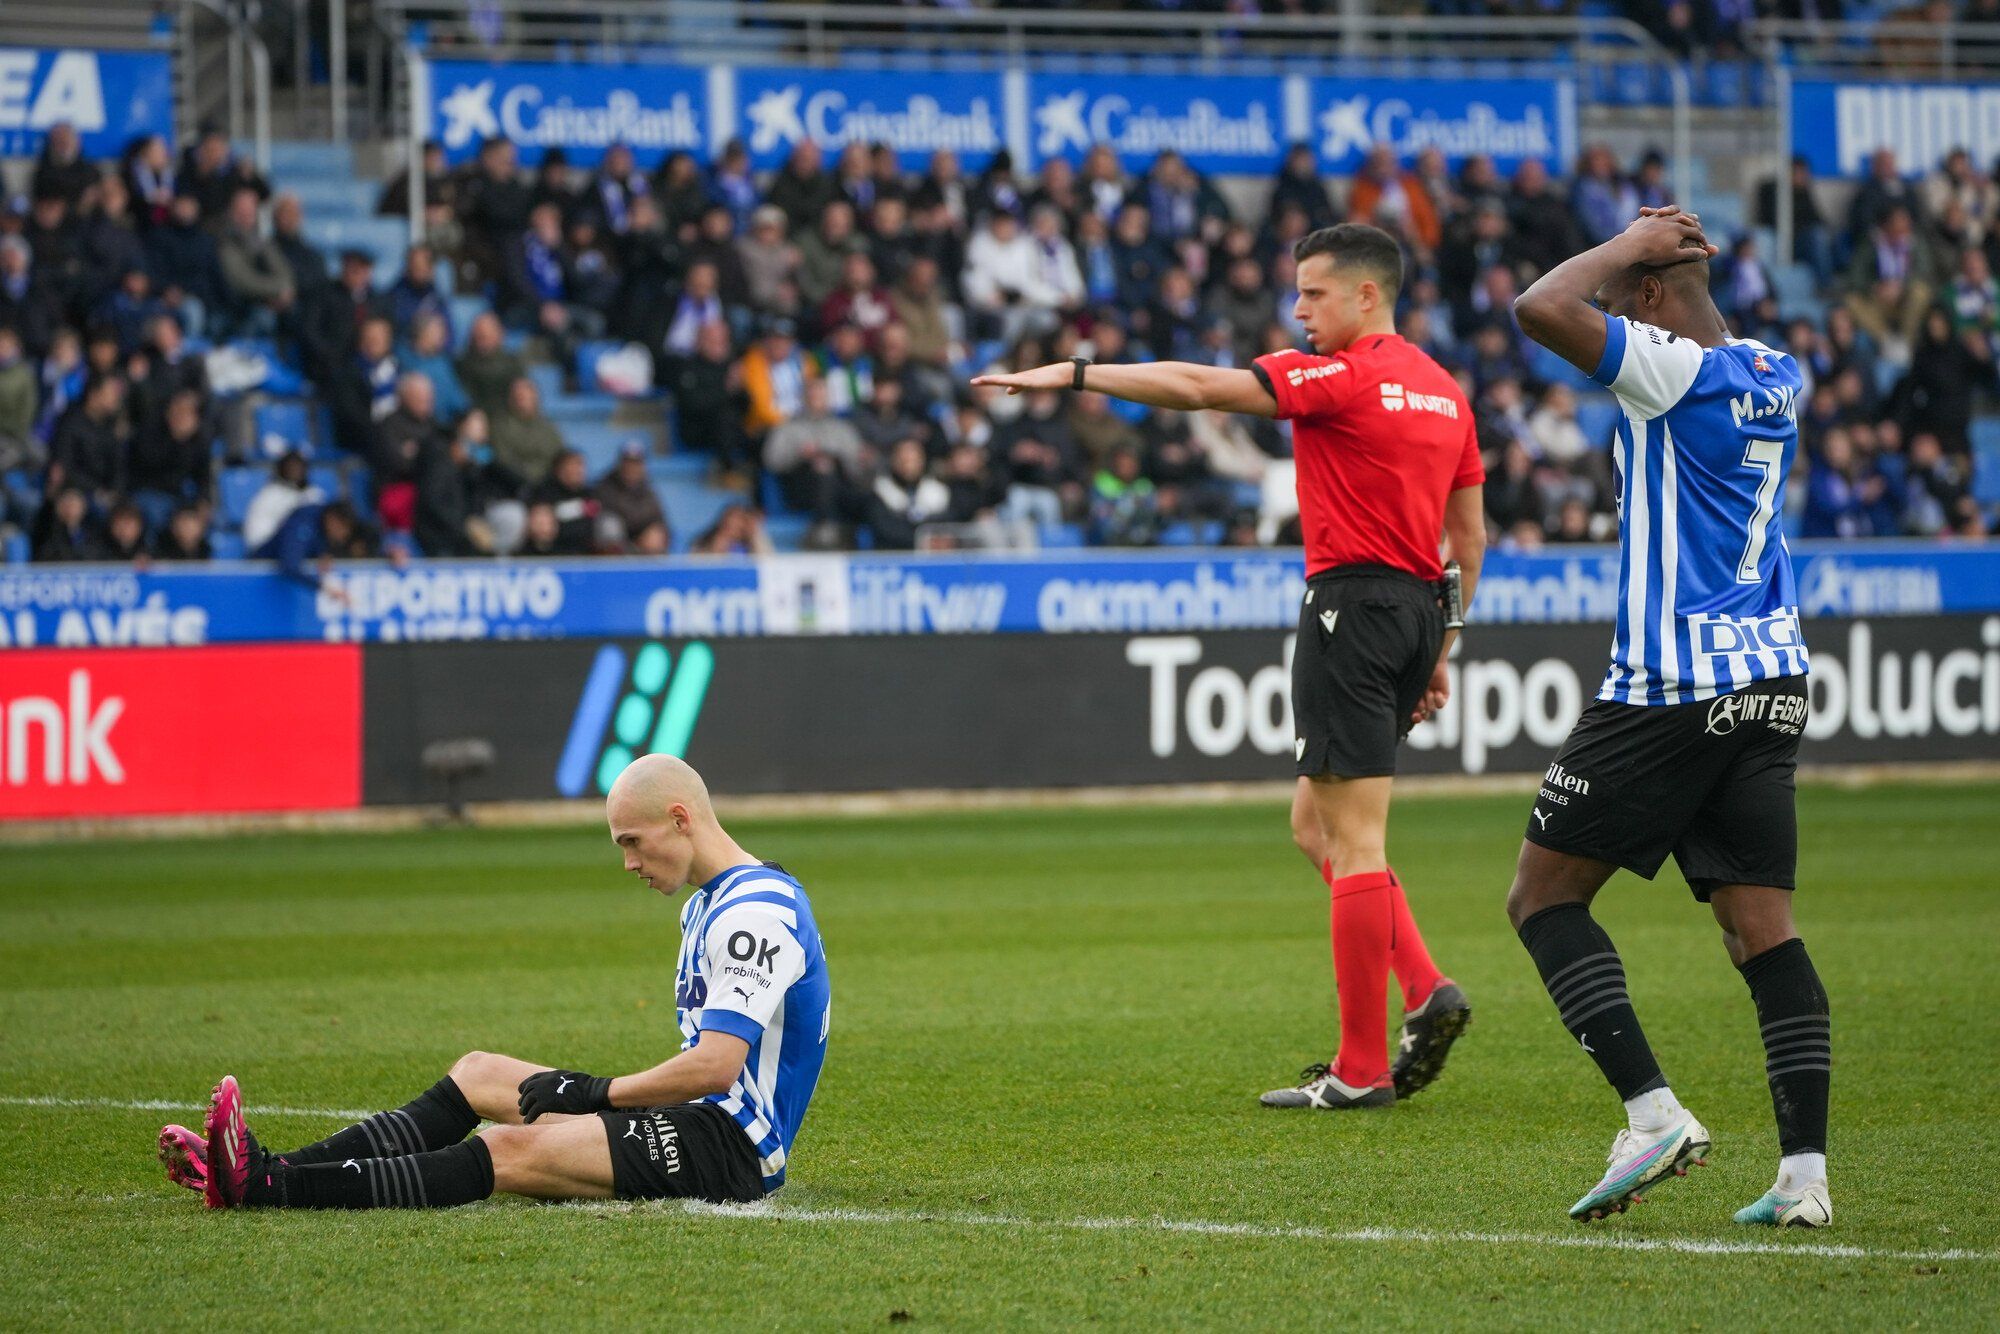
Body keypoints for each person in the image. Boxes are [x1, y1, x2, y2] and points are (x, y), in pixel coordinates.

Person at [973, 223, 1485, 1111]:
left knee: (1356, 842)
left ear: (1367, 296)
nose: (1299, 311)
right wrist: (1442, 646)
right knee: (1313, 826)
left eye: (1314, 293)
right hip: (1415, 614)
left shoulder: (1343, 376)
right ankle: (1426, 985)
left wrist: (1075, 373)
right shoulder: (1446, 393)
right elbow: (1469, 539)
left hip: (1350, 610)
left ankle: (1361, 1070)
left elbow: (1200, 386)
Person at [1510, 205, 1830, 1228]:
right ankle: (1803, 1178)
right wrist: (1656, 253)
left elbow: (1535, 305)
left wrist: (1626, 246)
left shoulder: (1667, 367)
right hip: (1769, 676)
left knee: (1541, 898)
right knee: (1759, 930)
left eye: (1624, 294)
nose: (1607, 309)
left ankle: (1651, 1111)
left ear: (1650, 298)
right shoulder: (1775, 370)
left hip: (1669, 682)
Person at [163, 753, 831, 1212]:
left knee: (506, 1149)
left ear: (680, 819)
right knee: (481, 1073)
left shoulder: (755, 912)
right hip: (695, 1122)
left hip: (735, 1148)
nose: (628, 862)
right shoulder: (709, 904)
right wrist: (601, 1097)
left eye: (632, 841)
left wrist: (598, 1093)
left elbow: (717, 1066)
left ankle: (267, 1190)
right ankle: (262, 1167)